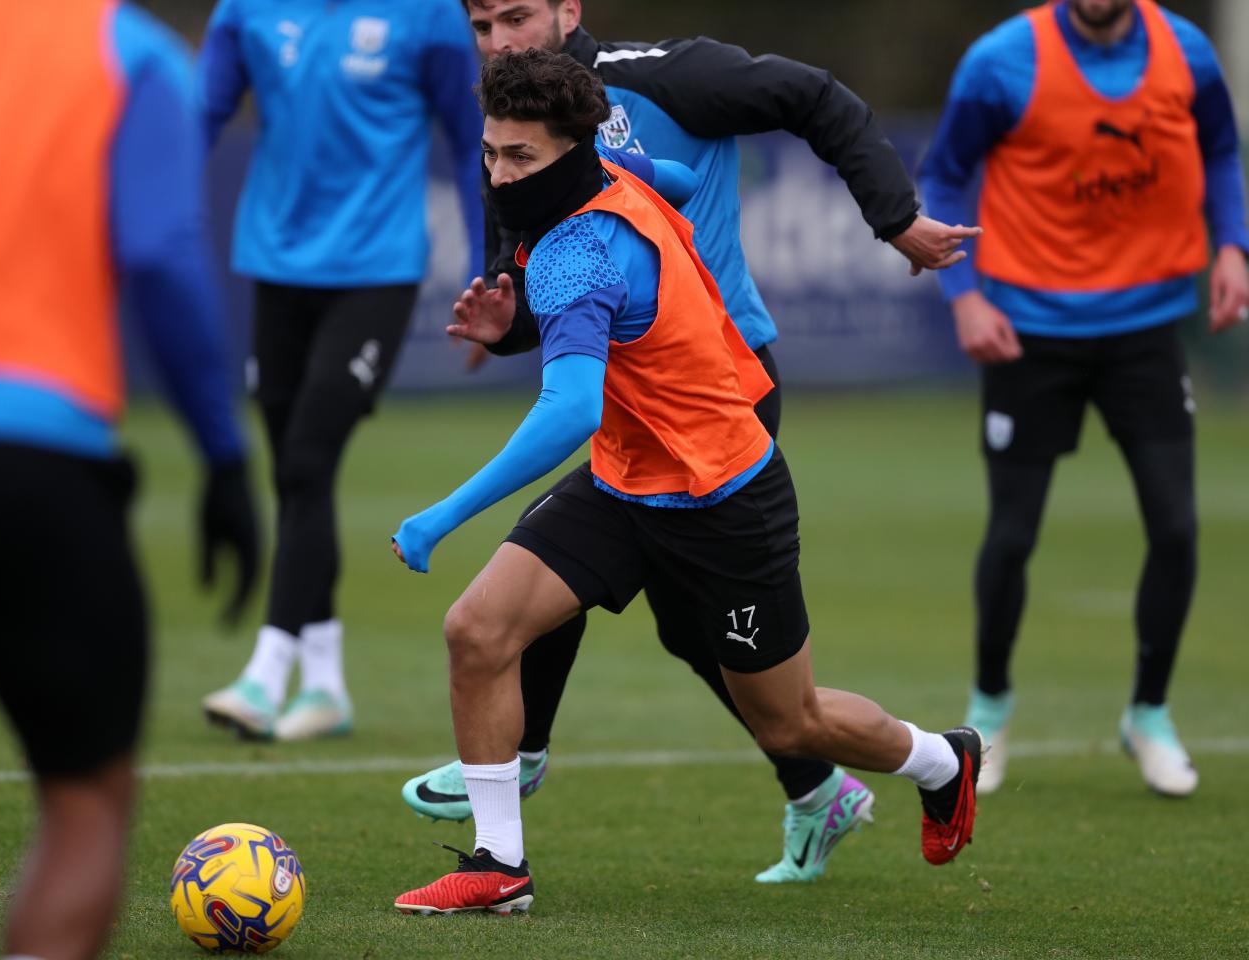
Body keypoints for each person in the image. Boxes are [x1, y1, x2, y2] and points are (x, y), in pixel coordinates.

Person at [389, 49, 981, 916]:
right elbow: (664, 171)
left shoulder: (575, 257)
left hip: (726, 499)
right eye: (490, 153)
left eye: (521, 158)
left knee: (791, 722)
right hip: (629, 482)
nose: (499, 174)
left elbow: (569, 412)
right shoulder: (615, 166)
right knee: (477, 632)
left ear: (570, 150)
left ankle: (941, 760)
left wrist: (443, 514)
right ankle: (498, 865)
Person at [0, 2, 261, 957]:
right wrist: (221, 453)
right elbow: (158, 253)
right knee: (86, 801)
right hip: (29, 460)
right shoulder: (127, 51)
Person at [919, 0, 1249, 796]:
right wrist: (964, 295)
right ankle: (989, 711)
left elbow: (1222, 154)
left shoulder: (1189, 52)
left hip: (1147, 327)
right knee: (1013, 535)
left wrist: (1233, 244)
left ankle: (1150, 714)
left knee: (1175, 527)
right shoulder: (1002, 61)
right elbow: (943, 174)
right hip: (1029, 330)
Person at [197, 0, 486, 741]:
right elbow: (201, 117)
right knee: (298, 475)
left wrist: (491, 275)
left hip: (376, 267)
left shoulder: (426, 15)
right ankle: (324, 685)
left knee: (306, 456)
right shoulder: (247, 10)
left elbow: (467, 141)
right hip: (272, 263)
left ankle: (266, 672)